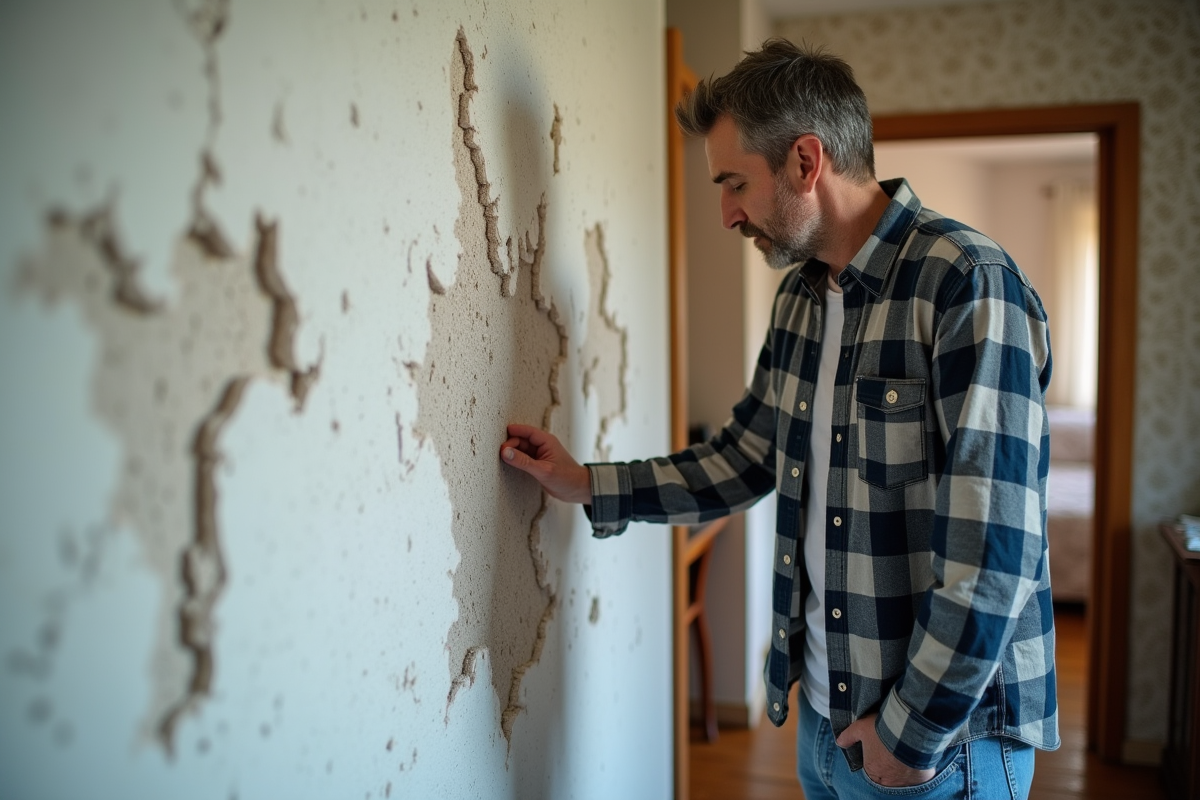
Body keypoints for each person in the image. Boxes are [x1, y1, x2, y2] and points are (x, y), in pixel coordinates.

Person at [500, 39, 1057, 800]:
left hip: (941, 747)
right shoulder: (799, 299)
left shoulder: (967, 285)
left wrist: (914, 736)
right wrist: (588, 484)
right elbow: (745, 457)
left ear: (805, 161)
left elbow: (994, 550)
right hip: (827, 727)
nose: (726, 214)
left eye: (734, 183)